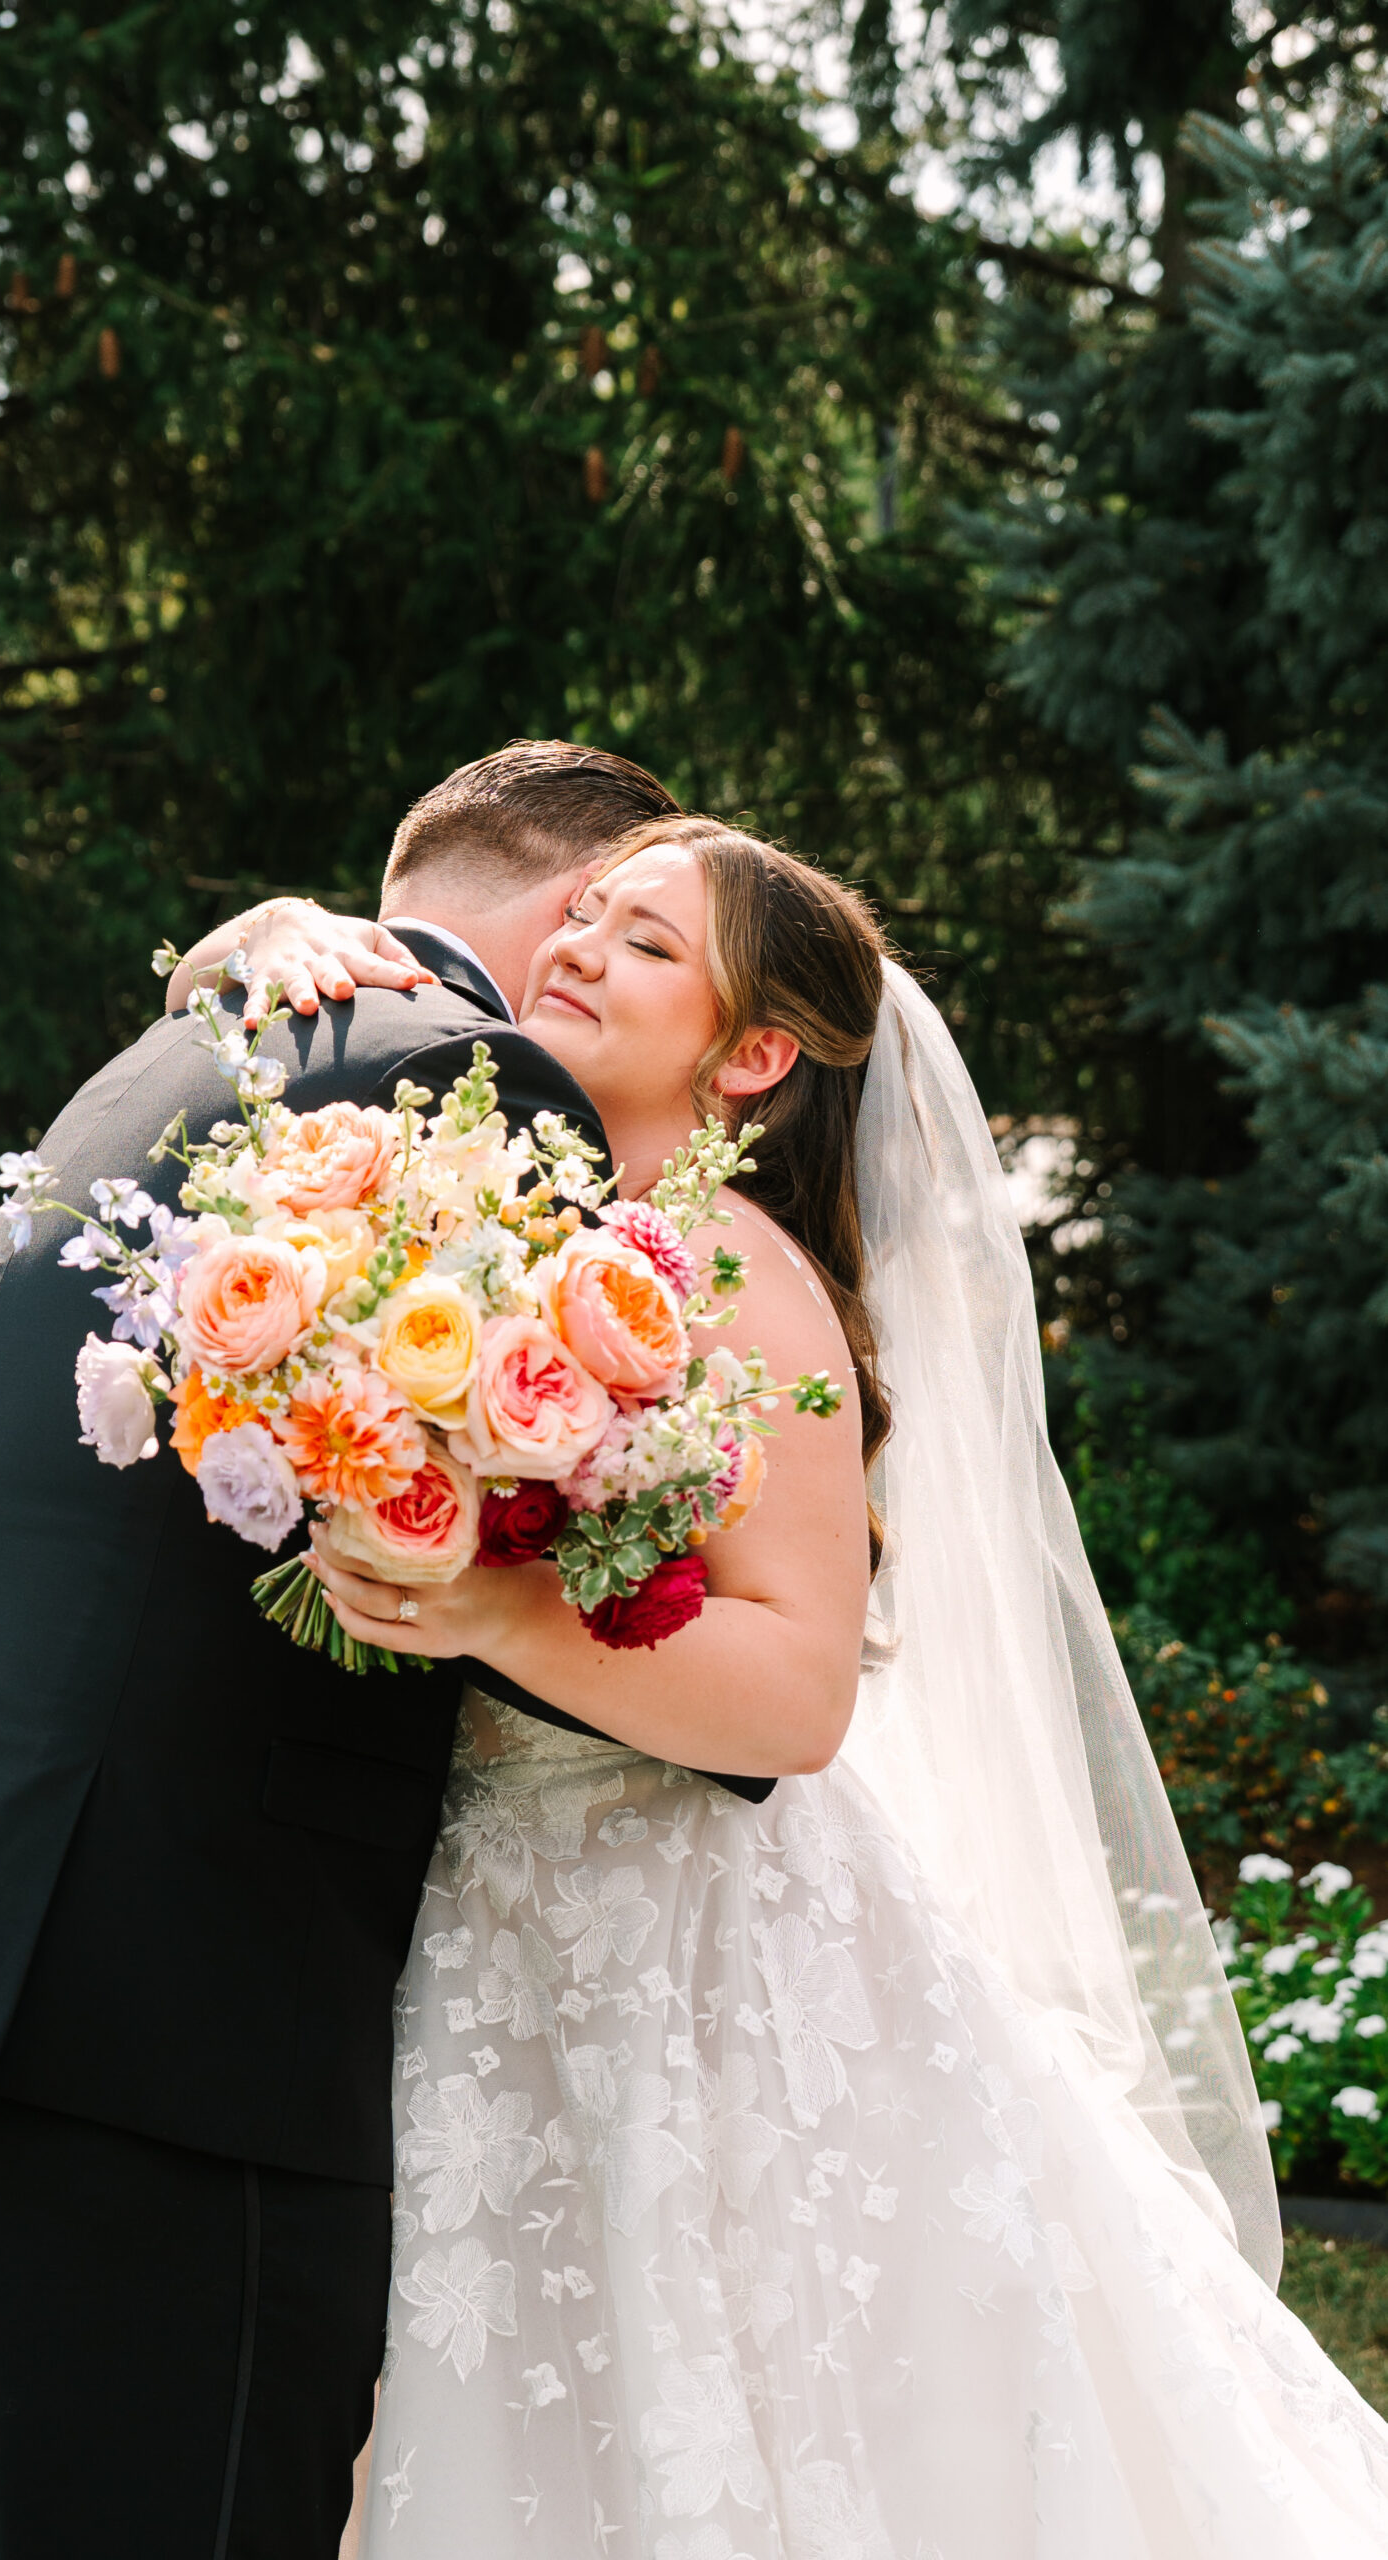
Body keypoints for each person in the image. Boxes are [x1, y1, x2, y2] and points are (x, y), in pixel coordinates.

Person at [220, 818, 1388, 2556]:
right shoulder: (504, 1221)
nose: (579, 949)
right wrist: (255, 938)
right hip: (499, 1927)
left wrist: (483, 1610)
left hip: (693, 1951)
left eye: (645, 945)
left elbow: (795, 1695)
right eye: (585, 916)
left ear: (754, 1055)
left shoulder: (745, 1277)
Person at [0, 740, 733, 2560]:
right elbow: (525, 1514)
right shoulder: (474, 1077)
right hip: (156, 1998)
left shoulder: (180, 1051)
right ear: (557, 919)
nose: (608, 965)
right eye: (614, 920)